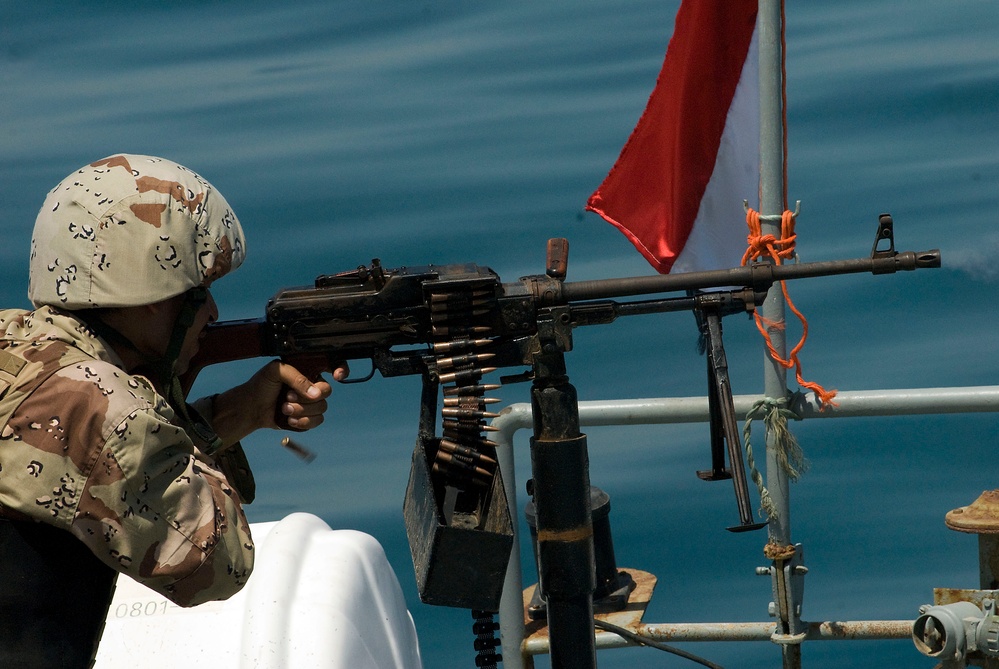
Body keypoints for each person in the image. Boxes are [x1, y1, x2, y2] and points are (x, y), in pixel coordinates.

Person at [0, 154, 346, 668]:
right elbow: (218, 563)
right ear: (150, 296)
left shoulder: (12, 343)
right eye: (197, 293)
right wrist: (167, 410)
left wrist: (237, 412)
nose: (213, 313)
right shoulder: (108, 413)